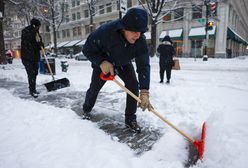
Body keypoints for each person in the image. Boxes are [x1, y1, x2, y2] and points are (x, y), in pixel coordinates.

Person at [82, 8, 153, 133]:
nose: (138, 35)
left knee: (133, 86)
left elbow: (143, 65)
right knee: (94, 88)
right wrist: (101, 62)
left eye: (141, 32)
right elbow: (87, 50)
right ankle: (86, 109)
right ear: (124, 27)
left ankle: (130, 118)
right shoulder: (105, 32)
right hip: (104, 63)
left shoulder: (140, 41)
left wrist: (145, 91)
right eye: (135, 31)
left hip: (124, 63)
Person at [21, 18, 43, 98]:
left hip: (35, 57)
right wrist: (34, 31)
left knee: (35, 73)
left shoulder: (37, 33)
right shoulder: (25, 31)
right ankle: (32, 90)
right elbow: (27, 40)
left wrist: (41, 44)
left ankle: (34, 89)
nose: (39, 28)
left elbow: (39, 45)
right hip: (27, 57)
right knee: (31, 74)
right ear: (34, 25)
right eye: (38, 26)